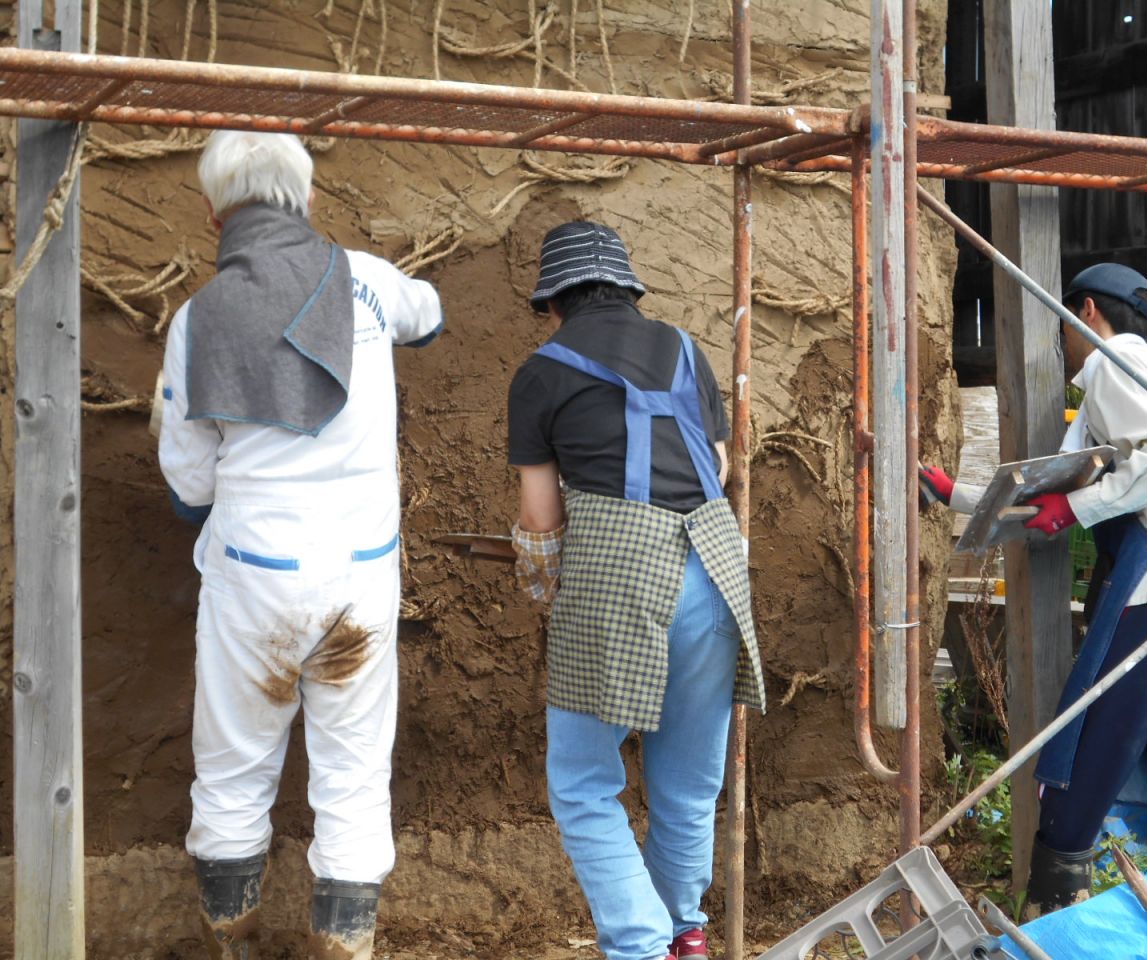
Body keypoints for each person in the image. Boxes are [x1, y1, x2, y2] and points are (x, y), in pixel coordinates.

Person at [158, 130, 444, 960]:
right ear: (309, 199)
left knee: (234, 769)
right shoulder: (368, 283)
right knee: (354, 777)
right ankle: (343, 950)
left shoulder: (197, 319)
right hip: (360, 576)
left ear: (214, 215)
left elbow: (191, 487)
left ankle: (234, 944)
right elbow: (430, 317)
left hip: (253, 579)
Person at [920, 263, 1147, 916]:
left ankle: (1051, 917)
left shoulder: (1116, 361)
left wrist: (1077, 511)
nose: (1063, 342)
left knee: (1087, 754)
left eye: (1065, 324)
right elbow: (1054, 489)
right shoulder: (1135, 379)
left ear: (1086, 310)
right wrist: (963, 499)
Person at [506, 221, 766, 960]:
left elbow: (539, 516)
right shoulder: (686, 349)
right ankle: (683, 933)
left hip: (619, 576)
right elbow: (716, 467)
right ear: (627, 289)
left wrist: (539, 579)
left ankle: (640, 942)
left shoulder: (541, 372)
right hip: (715, 567)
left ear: (554, 302)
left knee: (585, 783)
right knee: (687, 785)